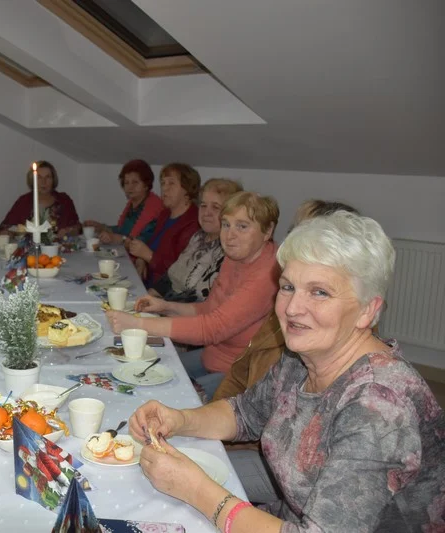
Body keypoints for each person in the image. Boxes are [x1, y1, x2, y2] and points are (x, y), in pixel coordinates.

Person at [129, 212, 445, 532]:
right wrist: (179, 419)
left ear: (368, 311)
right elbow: (245, 413)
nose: (293, 308)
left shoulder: (378, 408)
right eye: (288, 286)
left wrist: (197, 490)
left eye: (319, 292)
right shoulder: (302, 357)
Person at [106, 192, 280, 398]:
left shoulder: (268, 274)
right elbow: (209, 309)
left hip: (239, 374)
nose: (230, 235)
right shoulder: (235, 257)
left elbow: (212, 328)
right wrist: (166, 306)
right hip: (213, 356)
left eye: (242, 226)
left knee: (158, 395)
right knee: (129, 372)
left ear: (267, 231)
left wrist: (137, 324)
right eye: (226, 224)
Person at [212, 199, 359, 402]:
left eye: (319, 292)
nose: (292, 309)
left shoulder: (362, 383)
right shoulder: (288, 301)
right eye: (293, 232)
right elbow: (241, 375)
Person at [150, 178, 242, 303]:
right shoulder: (198, 236)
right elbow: (171, 275)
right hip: (168, 303)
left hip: (185, 313)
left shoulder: (227, 250)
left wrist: (161, 307)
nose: (206, 213)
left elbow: (200, 300)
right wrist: (150, 295)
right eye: (203, 205)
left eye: (216, 207)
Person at [125, 163, 201, 283]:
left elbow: (182, 272)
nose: (164, 188)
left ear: (187, 189)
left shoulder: (194, 223)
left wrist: (148, 256)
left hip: (165, 293)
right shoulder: (164, 214)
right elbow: (151, 244)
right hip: (148, 282)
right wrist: (141, 260)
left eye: (171, 183)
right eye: (163, 183)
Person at [84, 159, 164, 245]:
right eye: (126, 183)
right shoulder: (132, 205)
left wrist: (119, 239)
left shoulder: (153, 208)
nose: (130, 187)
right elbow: (122, 230)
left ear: (146, 185)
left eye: (135, 182)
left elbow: (145, 240)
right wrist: (101, 227)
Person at [0, 161, 81, 239]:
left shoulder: (64, 200)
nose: (43, 182)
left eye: (48, 177)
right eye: (39, 177)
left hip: (60, 250)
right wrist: (13, 232)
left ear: (53, 180)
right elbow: (5, 227)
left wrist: (69, 231)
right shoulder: (23, 201)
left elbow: (78, 227)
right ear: (32, 180)